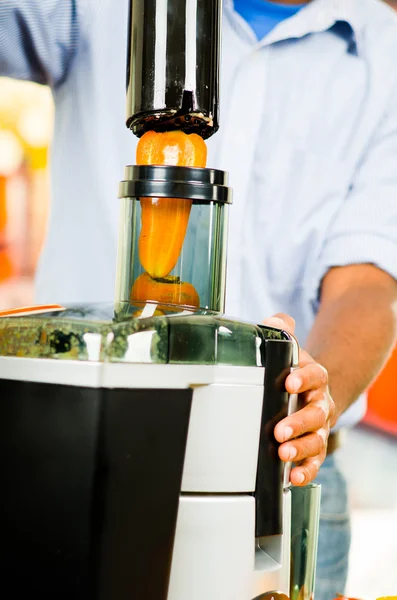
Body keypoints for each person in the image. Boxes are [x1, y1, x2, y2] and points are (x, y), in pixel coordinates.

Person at [2, 0, 397, 598]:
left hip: (280, 470)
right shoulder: (89, 9)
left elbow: (370, 282)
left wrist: (318, 391)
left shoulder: (384, 50)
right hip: (81, 453)